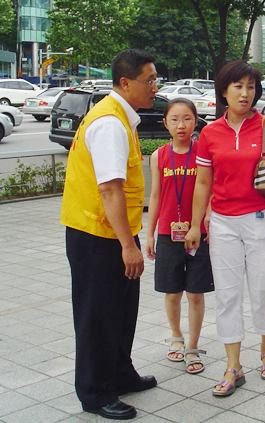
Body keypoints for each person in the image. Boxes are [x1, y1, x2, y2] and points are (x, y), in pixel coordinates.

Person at [184, 60, 265, 397]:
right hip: (223, 223)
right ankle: (233, 365)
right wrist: (195, 224)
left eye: (250, 87)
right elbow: (203, 182)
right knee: (227, 294)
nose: (245, 93)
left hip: (264, 219)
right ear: (223, 90)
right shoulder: (209, 133)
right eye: (238, 87)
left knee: (262, 289)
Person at [60, 49, 159, 420]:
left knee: (121, 310)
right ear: (125, 83)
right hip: (98, 237)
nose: (155, 87)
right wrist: (128, 245)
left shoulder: (121, 118)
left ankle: (119, 372)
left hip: (111, 234)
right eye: (149, 80)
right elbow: (110, 190)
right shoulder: (109, 124)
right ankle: (95, 392)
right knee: (97, 315)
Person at [146, 98, 214, 374]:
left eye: (187, 118)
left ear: (196, 121)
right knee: (172, 292)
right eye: (174, 119)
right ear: (165, 123)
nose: (181, 125)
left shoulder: (203, 152)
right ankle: (176, 336)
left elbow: (211, 188)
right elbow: (155, 195)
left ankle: (193, 346)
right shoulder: (158, 155)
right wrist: (149, 234)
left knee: (195, 294)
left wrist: (206, 216)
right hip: (167, 234)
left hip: (200, 234)